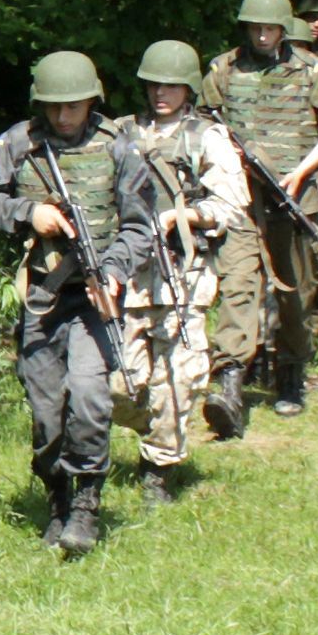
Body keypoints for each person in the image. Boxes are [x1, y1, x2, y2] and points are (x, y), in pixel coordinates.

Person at [0, 51, 156, 556]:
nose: (64, 117)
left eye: (73, 106)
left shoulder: (119, 147)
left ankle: (86, 507)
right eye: (54, 107)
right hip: (42, 297)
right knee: (46, 412)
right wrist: (29, 212)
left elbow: (143, 227)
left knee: (92, 398)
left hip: (97, 300)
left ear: (92, 101)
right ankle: (56, 499)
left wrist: (114, 272)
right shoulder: (17, 143)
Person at [202, 0, 318, 424]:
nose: (262, 34)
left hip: (293, 197)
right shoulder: (224, 69)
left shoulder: (310, 70)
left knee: (293, 292)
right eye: (255, 27)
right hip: (240, 197)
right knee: (238, 285)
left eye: (269, 28)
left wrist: (301, 172)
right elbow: (204, 125)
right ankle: (229, 381)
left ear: (284, 30)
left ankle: (291, 372)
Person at [108, 41, 247, 507]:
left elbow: (231, 204)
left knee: (178, 376)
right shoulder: (121, 133)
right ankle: (155, 427)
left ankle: (158, 469)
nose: (160, 93)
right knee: (118, 383)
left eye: (170, 84)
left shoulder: (205, 136)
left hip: (182, 273)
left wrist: (181, 217)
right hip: (126, 273)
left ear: (187, 87)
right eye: (153, 84)